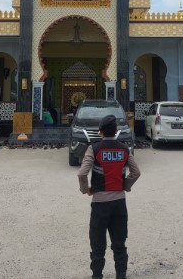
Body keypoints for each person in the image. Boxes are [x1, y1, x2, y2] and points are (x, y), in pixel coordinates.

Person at [77, 115, 141, 279]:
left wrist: (86, 190)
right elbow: (136, 172)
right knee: (119, 244)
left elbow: (82, 173)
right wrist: (125, 186)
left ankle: (97, 275)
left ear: (100, 132)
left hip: (99, 204)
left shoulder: (94, 149)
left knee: (98, 246)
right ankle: (121, 275)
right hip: (119, 203)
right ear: (117, 131)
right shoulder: (124, 149)